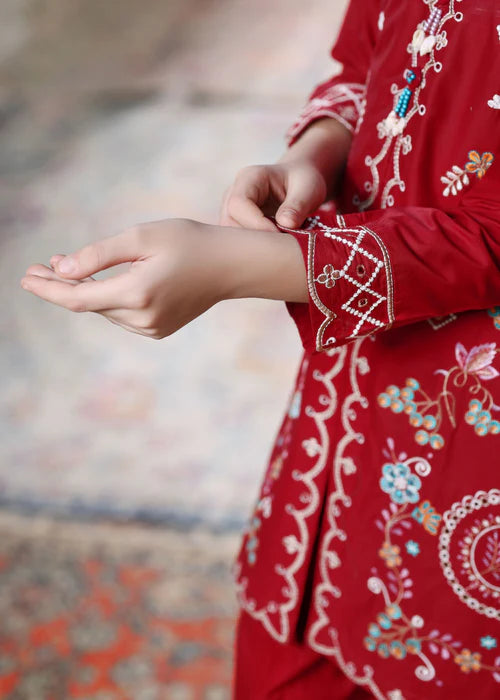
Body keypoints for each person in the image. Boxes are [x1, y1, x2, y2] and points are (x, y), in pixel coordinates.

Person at [21, 0, 500, 697]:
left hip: (474, 447)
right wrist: (313, 154)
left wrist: (248, 266)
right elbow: (365, 61)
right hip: (344, 406)